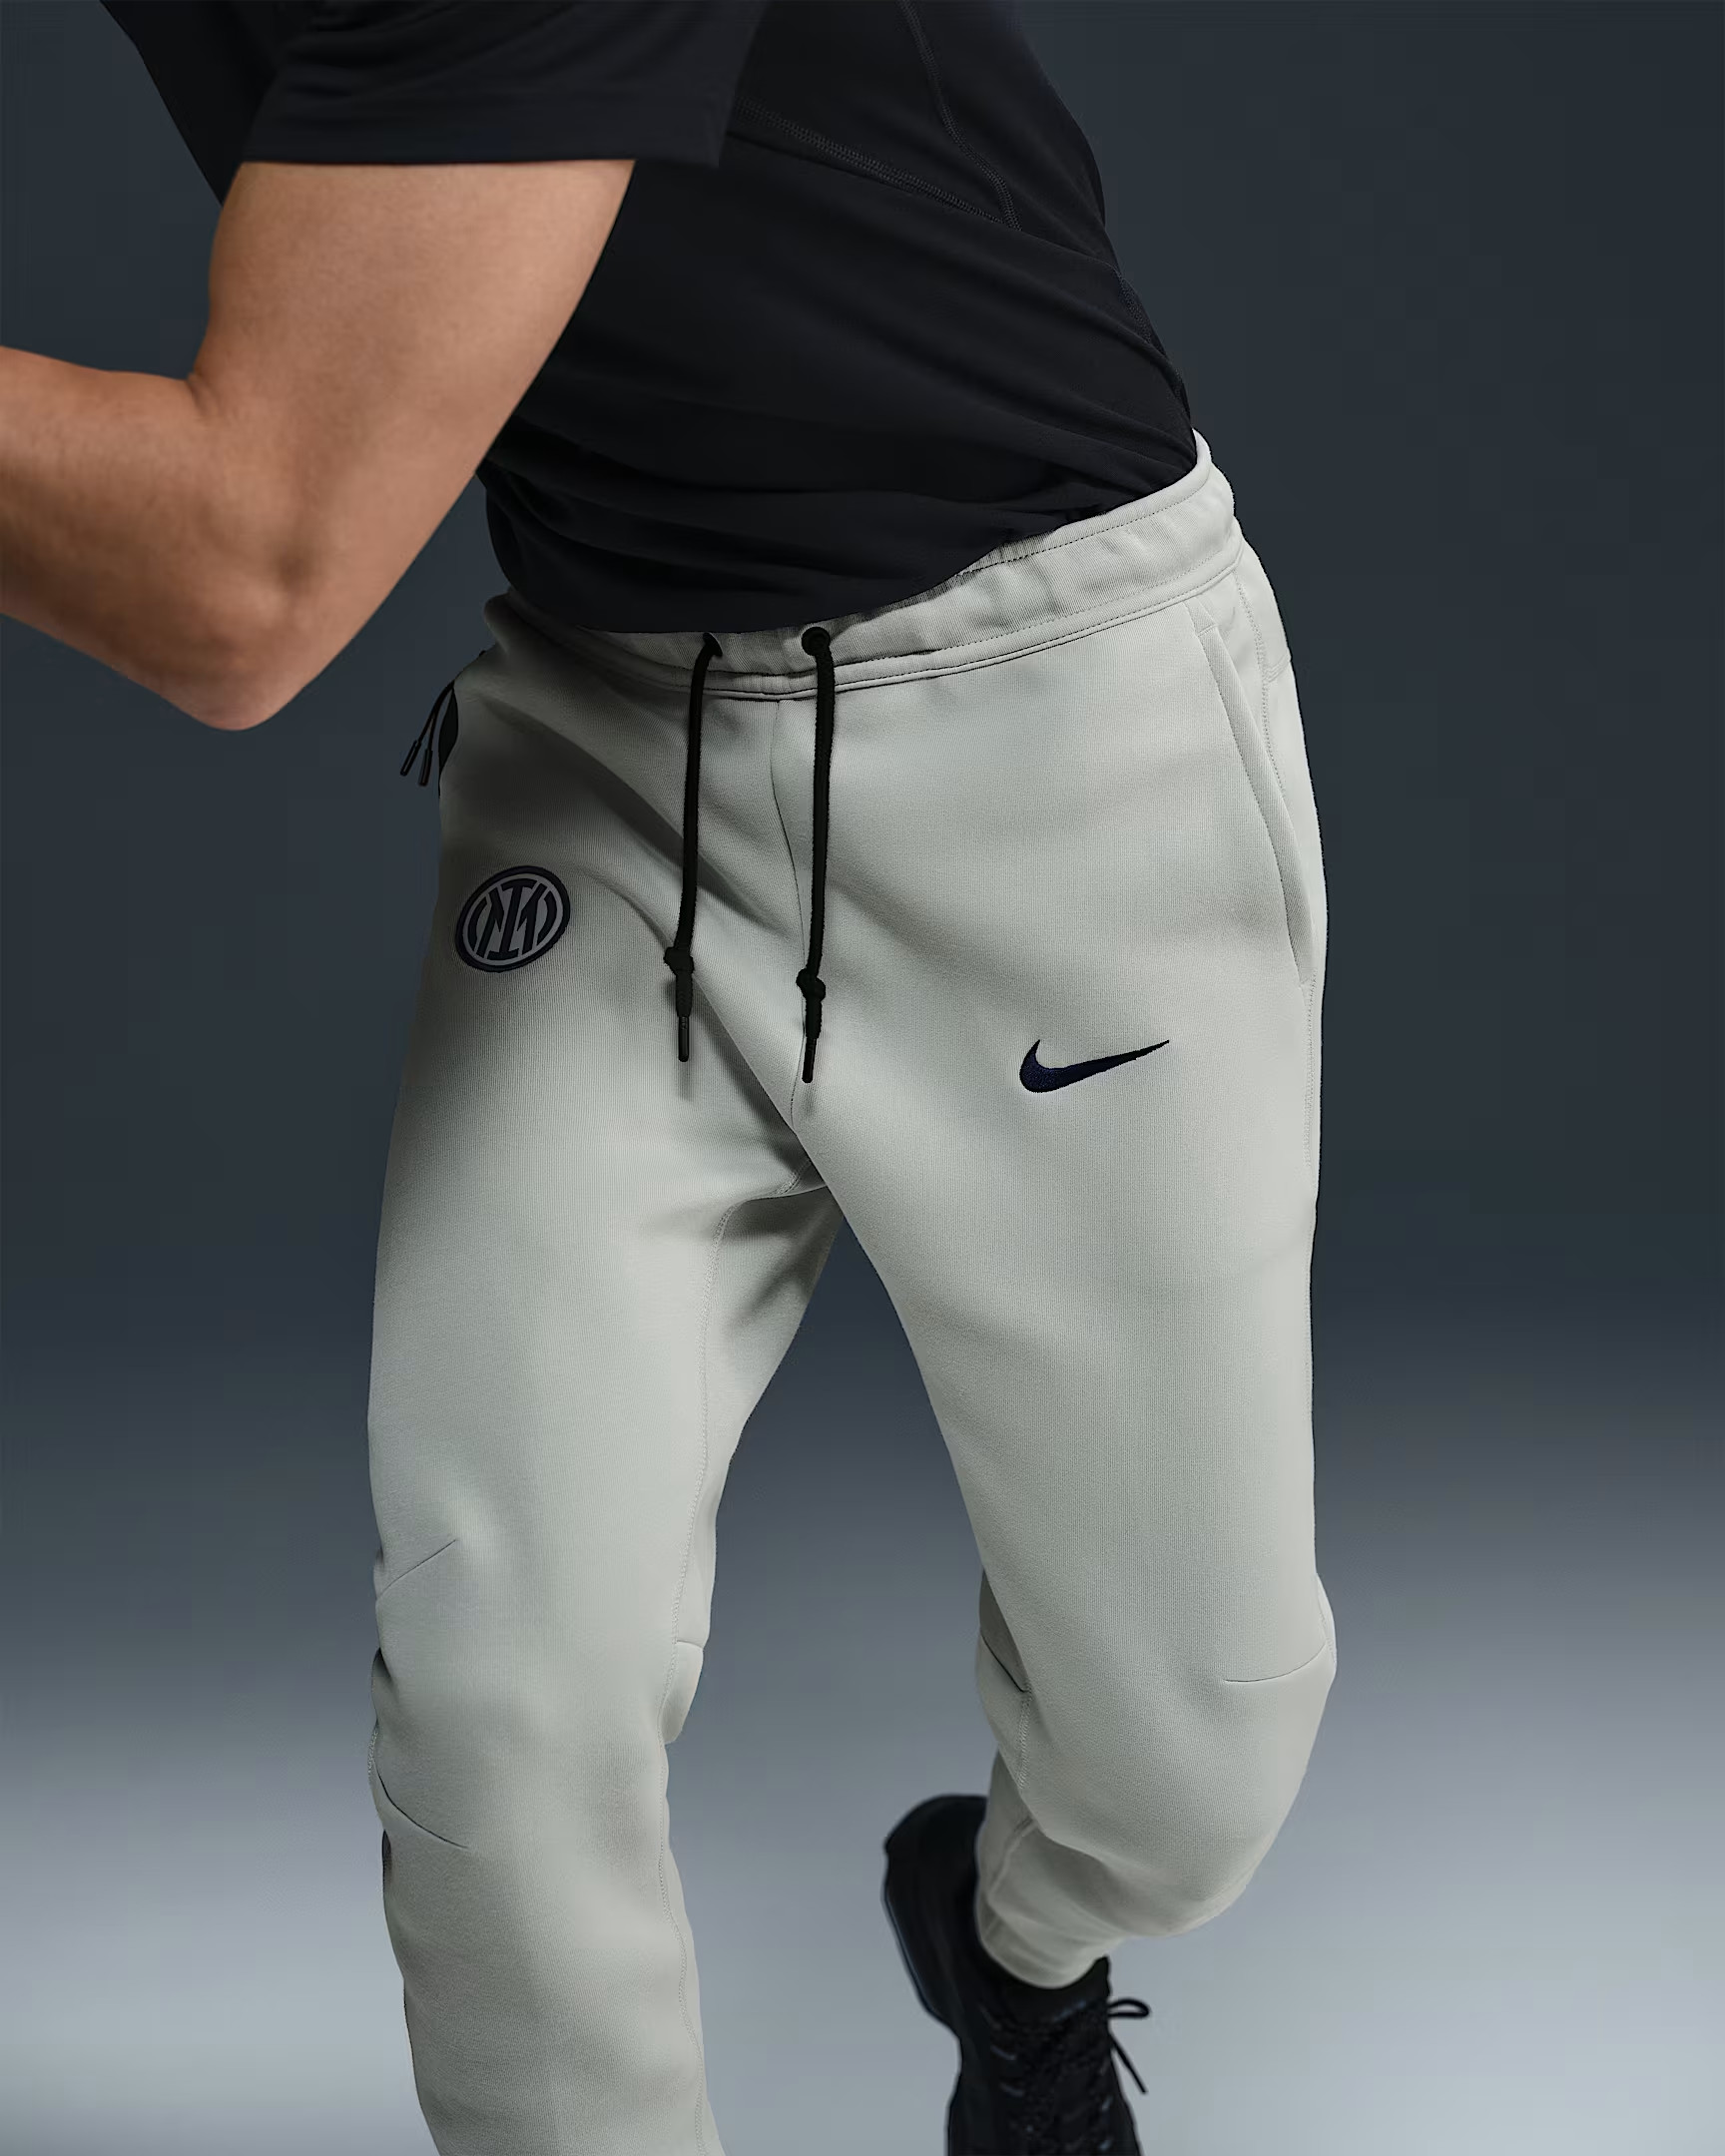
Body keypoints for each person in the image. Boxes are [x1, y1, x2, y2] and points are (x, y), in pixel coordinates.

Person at [2, 4, 1338, 2150]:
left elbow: (243, 569)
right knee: (499, 1695)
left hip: (1054, 719)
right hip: (613, 737)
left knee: (1189, 1763)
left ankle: (1019, 1945)